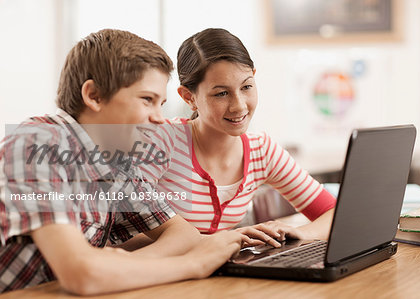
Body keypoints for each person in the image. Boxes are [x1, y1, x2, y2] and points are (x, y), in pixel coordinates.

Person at [0, 29, 246, 295]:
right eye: (147, 100)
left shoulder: (115, 159)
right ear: (93, 95)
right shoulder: (35, 144)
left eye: (161, 104)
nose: (159, 118)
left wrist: (117, 265)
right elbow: (82, 275)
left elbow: (183, 234)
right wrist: (194, 264)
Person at [158, 28, 336, 247]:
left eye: (246, 87)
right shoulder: (161, 142)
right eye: (221, 93)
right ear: (189, 97)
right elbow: (116, 236)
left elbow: (333, 213)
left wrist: (301, 233)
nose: (239, 105)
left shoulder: (261, 150)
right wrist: (220, 240)